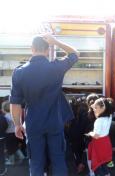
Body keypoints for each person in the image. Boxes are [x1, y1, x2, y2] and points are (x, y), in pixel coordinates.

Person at [10, 34, 79, 176]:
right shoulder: (56, 67)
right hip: (55, 123)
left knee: (35, 162)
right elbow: (75, 54)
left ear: (32, 49)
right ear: (48, 50)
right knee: (58, 160)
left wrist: (17, 124)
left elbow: (15, 103)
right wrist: (56, 41)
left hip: (33, 124)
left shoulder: (19, 72)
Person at [86, 98, 113, 176]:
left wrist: (90, 133)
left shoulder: (99, 121)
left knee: (97, 163)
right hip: (106, 141)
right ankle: (107, 174)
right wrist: (94, 106)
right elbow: (101, 108)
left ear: (103, 108)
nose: (94, 109)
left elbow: (96, 136)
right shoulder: (109, 116)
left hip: (99, 144)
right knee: (103, 161)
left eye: (96, 107)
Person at [2, 100, 25, 166]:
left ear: (4, 109)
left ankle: (11, 161)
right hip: (15, 133)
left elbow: (4, 126)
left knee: (10, 148)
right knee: (15, 146)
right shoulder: (14, 115)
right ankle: (21, 156)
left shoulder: (5, 117)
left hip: (8, 134)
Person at [0, 106, 8, 176]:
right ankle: (2, 170)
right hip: (1, 138)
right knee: (1, 155)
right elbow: (6, 126)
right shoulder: (2, 117)